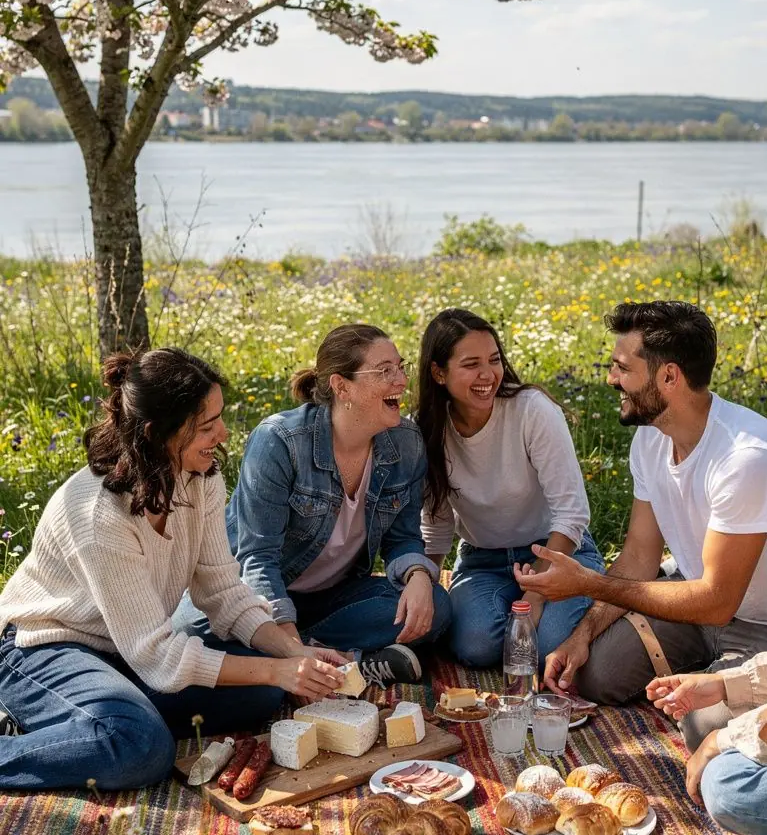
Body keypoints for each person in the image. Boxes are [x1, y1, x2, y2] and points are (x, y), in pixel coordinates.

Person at [0, 349, 346, 792]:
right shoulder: (98, 515)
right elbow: (156, 654)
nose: (222, 435)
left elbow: (223, 591)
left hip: (127, 650)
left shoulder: (201, 479)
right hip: (42, 647)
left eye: (220, 418)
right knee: (142, 747)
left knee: (261, 690)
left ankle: (89, 720)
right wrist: (277, 669)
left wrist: (290, 652)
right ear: (156, 433)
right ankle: (69, 725)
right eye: (207, 426)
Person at [515, 301, 767, 749]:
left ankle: (730, 687)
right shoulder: (651, 438)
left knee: (701, 724)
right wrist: (582, 635)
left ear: (668, 377)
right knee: (599, 675)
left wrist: (587, 584)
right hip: (697, 608)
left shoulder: (744, 459)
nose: (612, 379)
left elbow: (716, 601)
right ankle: (703, 673)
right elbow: (638, 555)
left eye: (622, 368)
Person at [647, 378, 767, 835]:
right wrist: (721, 685)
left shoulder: (745, 456)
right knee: (709, 720)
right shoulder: (649, 443)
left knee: (729, 781)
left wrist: (727, 738)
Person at [226, 323, 451, 685]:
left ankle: (326, 654)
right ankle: (352, 662)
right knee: (207, 639)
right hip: (258, 598)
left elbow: (403, 539)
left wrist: (420, 576)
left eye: (400, 366)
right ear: (341, 385)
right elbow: (257, 560)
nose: (402, 381)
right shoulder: (280, 442)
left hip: (332, 600)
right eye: (384, 371)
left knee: (435, 607)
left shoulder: (406, 442)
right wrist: (287, 644)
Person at [416, 308, 604, 666]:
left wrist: (535, 595)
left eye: (494, 359)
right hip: (482, 561)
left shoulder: (532, 411)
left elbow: (571, 512)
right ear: (439, 373)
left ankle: (603, 598)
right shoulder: (426, 430)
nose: (488, 374)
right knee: (477, 647)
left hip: (556, 552)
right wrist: (426, 590)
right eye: (471, 364)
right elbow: (437, 527)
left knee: (546, 646)